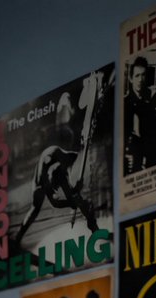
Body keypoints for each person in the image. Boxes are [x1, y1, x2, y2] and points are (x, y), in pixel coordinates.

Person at [10, 86, 98, 254]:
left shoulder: (61, 157)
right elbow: (56, 202)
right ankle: (18, 236)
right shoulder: (45, 177)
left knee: (76, 196)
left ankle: (93, 226)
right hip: (42, 178)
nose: (56, 189)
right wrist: (71, 201)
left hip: (59, 165)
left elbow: (74, 156)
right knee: (36, 208)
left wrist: (85, 146)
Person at [123, 56, 151, 174]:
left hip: (145, 159)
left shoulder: (149, 104)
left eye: (143, 75)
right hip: (128, 159)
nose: (140, 79)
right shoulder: (125, 104)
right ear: (130, 78)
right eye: (137, 75)